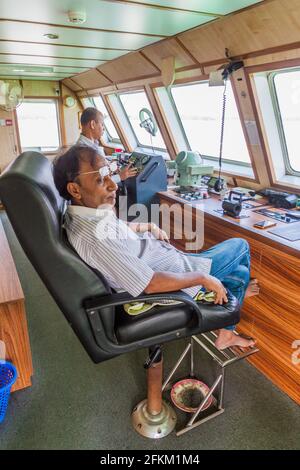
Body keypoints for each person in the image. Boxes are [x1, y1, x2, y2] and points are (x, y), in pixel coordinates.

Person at [53, 146, 258, 350]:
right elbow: (149, 284)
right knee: (241, 246)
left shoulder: (84, 213)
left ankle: (231, 315)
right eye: (100, 179)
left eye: (110, 173)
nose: (113, 186)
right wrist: (201, 278)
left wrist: (148, 226)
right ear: (74, 189)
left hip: (169, 260)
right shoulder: (95, 238)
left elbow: (116, 228)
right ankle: (230, 313)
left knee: (239, 276)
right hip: (174, 280)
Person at [76, 107, 137, 184]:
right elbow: (95, 183)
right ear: (92, 124)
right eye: (102, 124)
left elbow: (100, 172)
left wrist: (111, 167)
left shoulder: (91, 144)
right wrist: (120, 176)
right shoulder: (84, 151)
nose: (103, 129)